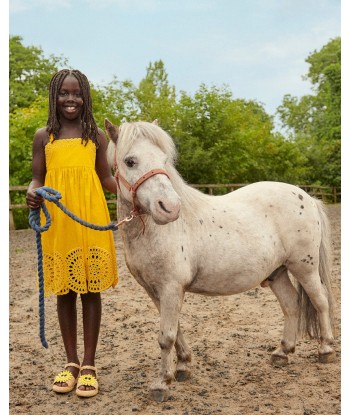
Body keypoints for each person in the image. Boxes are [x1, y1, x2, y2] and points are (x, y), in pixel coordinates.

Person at [26, 69, 119, 398]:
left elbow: (106, 178)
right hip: (60, 222)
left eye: (76, 93)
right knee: (65, 292)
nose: (70, 99)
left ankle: (90, 366)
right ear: (55, 96)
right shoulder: (43, 136)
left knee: (91, 290)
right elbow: (38, 178)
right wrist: (32, 192)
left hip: (90, 215)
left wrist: (135, 191)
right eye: (64, 93)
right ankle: (71, 363)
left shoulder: (95, 135)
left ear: (86, 97)